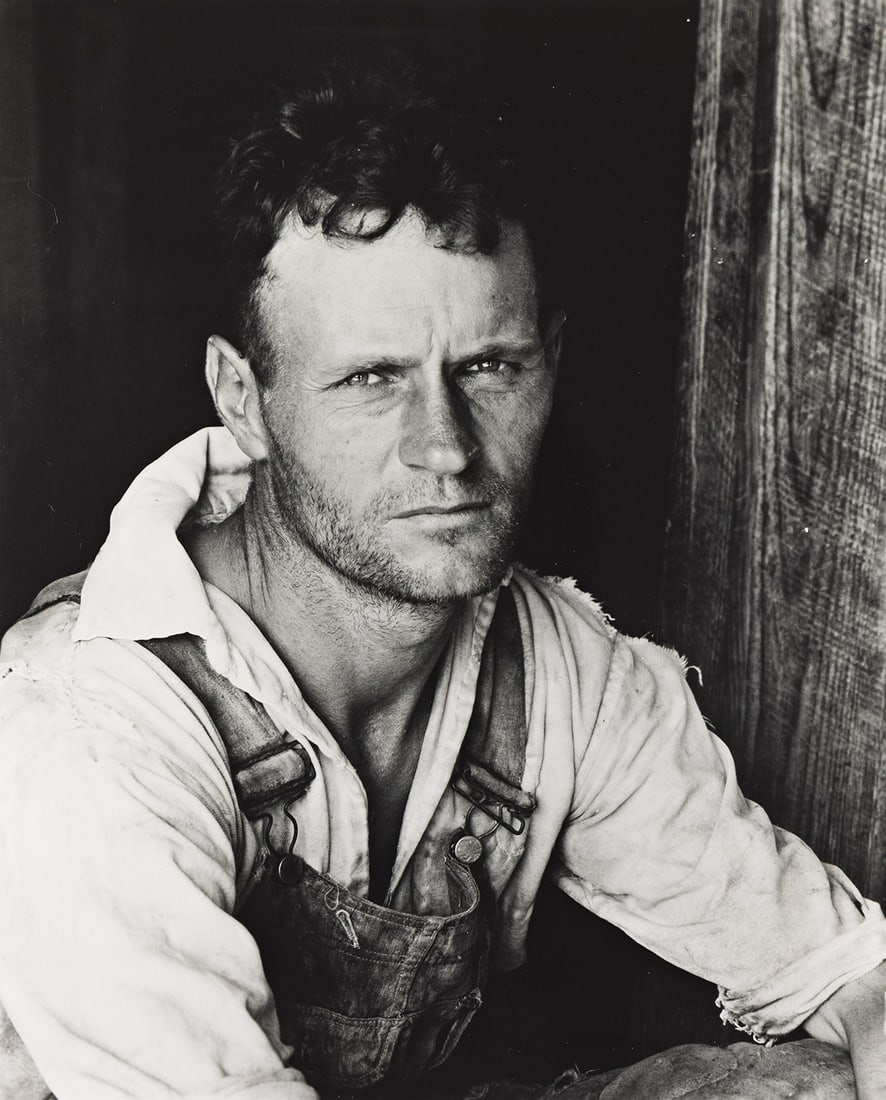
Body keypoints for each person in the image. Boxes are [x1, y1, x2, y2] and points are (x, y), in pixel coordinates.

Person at [0, 59, 884, 1100]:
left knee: (809, 1083)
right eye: (372, 380)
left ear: (549, 364)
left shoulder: (558, 669)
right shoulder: (85, 725)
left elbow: (843, 966)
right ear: (244, 397)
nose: (447, 449)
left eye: (486, 368)